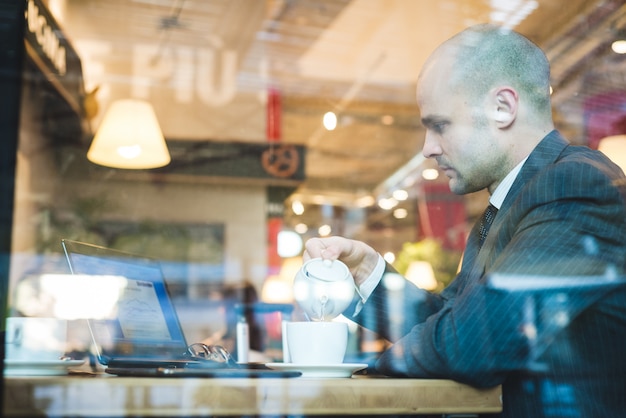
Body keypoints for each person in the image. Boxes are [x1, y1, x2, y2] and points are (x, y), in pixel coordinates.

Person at [303, 24, 626, 417]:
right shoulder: (512, 202)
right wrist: (369, 272)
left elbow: (473, 346)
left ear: (503, 108)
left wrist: (358, 371)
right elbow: (452, 323)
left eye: (440, 125)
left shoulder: (574, 185)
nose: (428, 149)